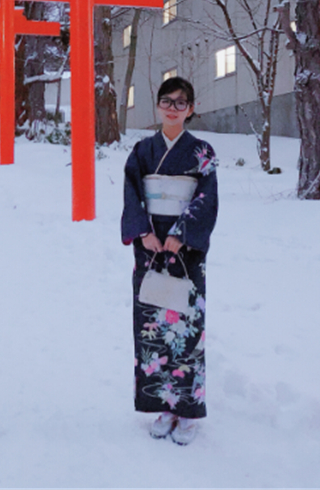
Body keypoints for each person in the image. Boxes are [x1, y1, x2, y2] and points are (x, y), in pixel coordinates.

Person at [121, 76, 218, 446]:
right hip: (149, 244)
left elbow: (207, 197)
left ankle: (188, 410)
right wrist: (144, 231)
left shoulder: (202, 152)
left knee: (187, 329)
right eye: (167, 101)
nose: (173, 107)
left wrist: (181, 234)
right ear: (158, 106)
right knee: (153, 326)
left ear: (190, 109)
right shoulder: (143, 151)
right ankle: (163, 407)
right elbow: (132, 193)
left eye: (181, 102)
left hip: (185, 250)